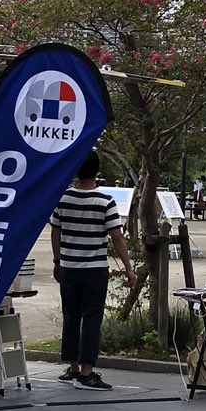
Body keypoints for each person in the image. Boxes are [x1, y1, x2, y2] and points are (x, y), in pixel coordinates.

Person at [50, 151, 136, 390]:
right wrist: (128, 268)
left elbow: (55, 231)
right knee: (91, 319)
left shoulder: (63, 199)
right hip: (94, 269)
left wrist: (57, 261)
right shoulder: (105, 201)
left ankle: (73, 367)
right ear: (97, 171)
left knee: (71, 317)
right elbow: (117, 236)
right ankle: (87, 373)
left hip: (68, 267)